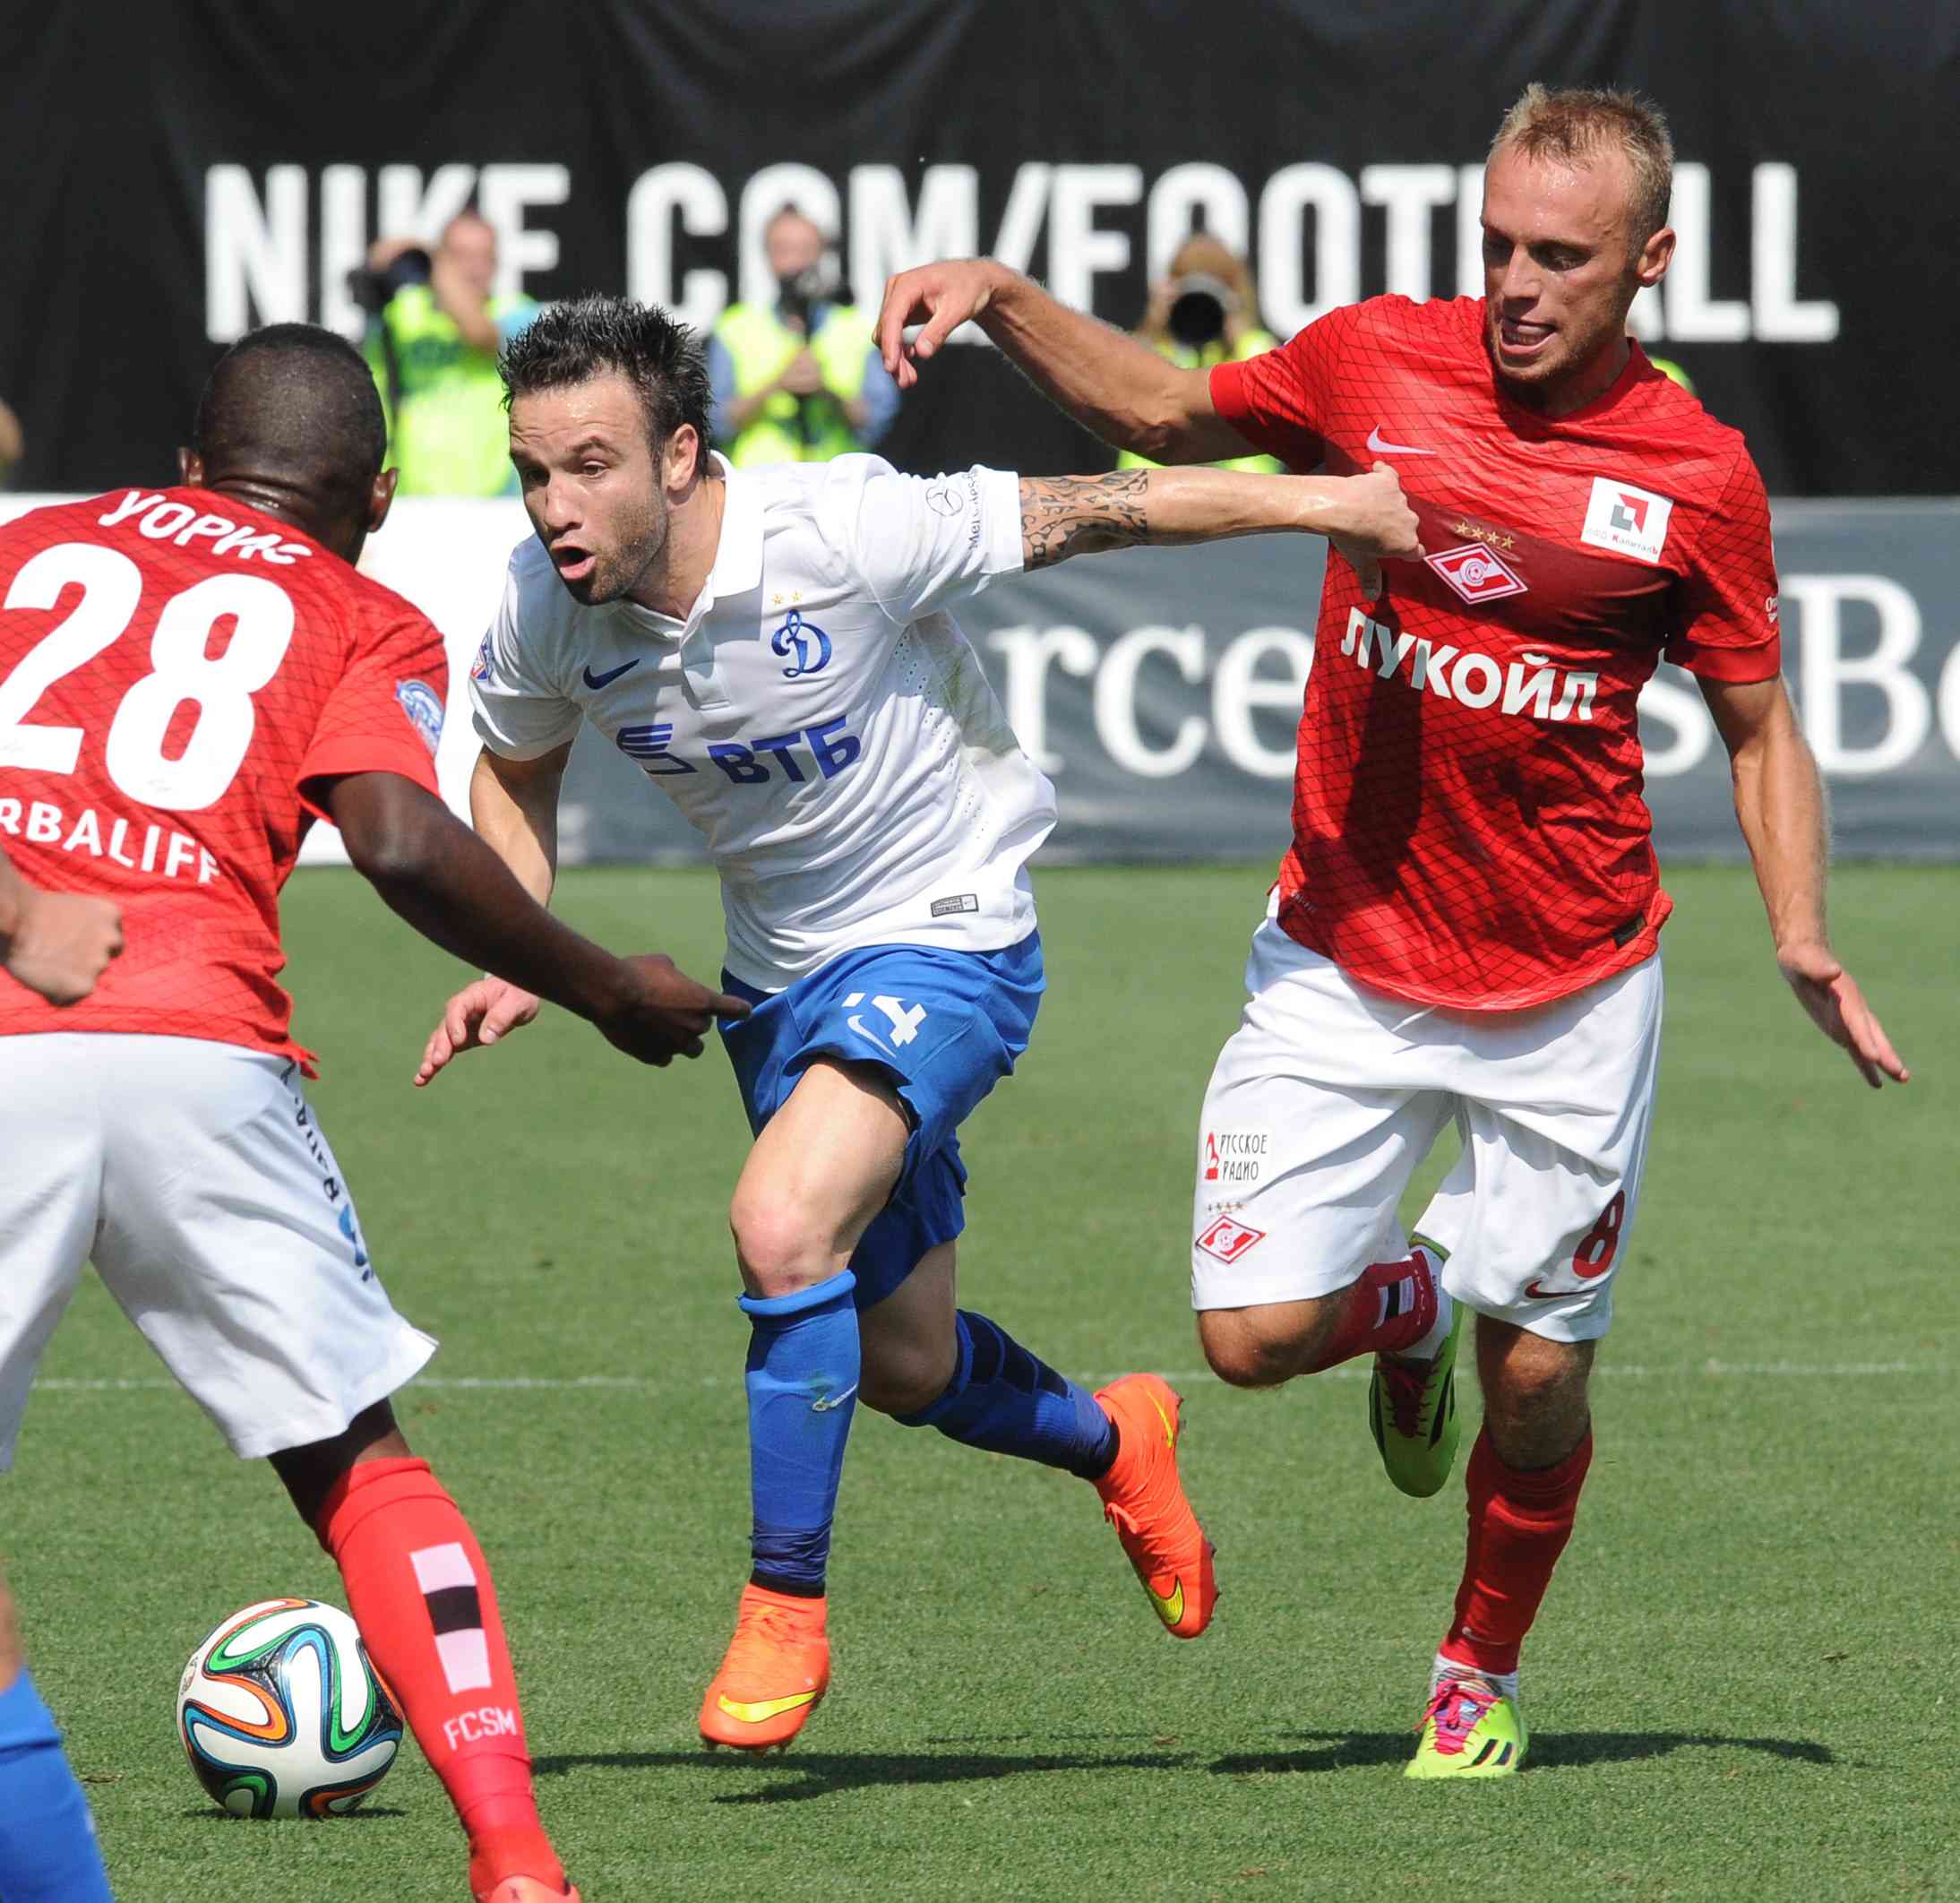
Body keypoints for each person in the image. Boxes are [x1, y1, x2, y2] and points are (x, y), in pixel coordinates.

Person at [876, 82, 1909, 1778]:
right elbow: (1165, 410)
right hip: (1343, 951)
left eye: (1561, 256)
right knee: (1250, 1341)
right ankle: (1412, 1304)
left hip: (1572, 984)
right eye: (1497, 242)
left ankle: (1474, 1669)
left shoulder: (1699, 475)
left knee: (1538, 1384)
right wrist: (997, 292)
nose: (1516, 283)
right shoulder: (1375, 362)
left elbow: (1757, 724)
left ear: (1649, 262)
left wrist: (1797, 927)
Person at [414, 294, 1422, 1752]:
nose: (553, 504)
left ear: (681, 455)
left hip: (951, 935)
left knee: (779, 1224)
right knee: (902, 1361)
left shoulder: (842, 529)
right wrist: (523, 940)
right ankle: (1118, 1438)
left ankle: (783, 1603)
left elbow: (1113, 506)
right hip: (779, 985)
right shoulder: (540, 601)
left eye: (590, 464)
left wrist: (1335, 501)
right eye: (532, 470)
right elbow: (515, 768)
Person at [0, 322, 747, 1900]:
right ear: (383, 497)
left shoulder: (35, 546)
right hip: (202, 1046)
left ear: (189, 466)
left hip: (13, 1009)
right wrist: (606, 985)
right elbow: (401, 841)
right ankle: (517, 1855)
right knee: (359, 1465)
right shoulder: (360, 609)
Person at [361, 211, 538, 495]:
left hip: (492, 498)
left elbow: (480, 335)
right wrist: (382, 265)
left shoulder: (516, 313)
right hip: (408, 496)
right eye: (461, 256)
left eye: (484, 257)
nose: (473, 268)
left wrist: (431, 260)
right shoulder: (401, 316)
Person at [708, 205, 899, 465]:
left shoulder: (857, 328)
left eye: (805, 250)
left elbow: (878, 418)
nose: (796, 263)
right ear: (767, 256)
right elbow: (716, 422)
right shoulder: (734, 327)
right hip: (759, 480)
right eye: (784, 250)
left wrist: (826, 391)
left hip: (836, 480)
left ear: (821, 253)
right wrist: (778, 385)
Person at [1119, 232, 1280, 475]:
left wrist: (1233, 335)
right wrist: (1153, 324)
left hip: (1240, 488)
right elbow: (1119, 393)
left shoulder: (1254, 348)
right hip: (1154, 485)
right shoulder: (1155, 348)